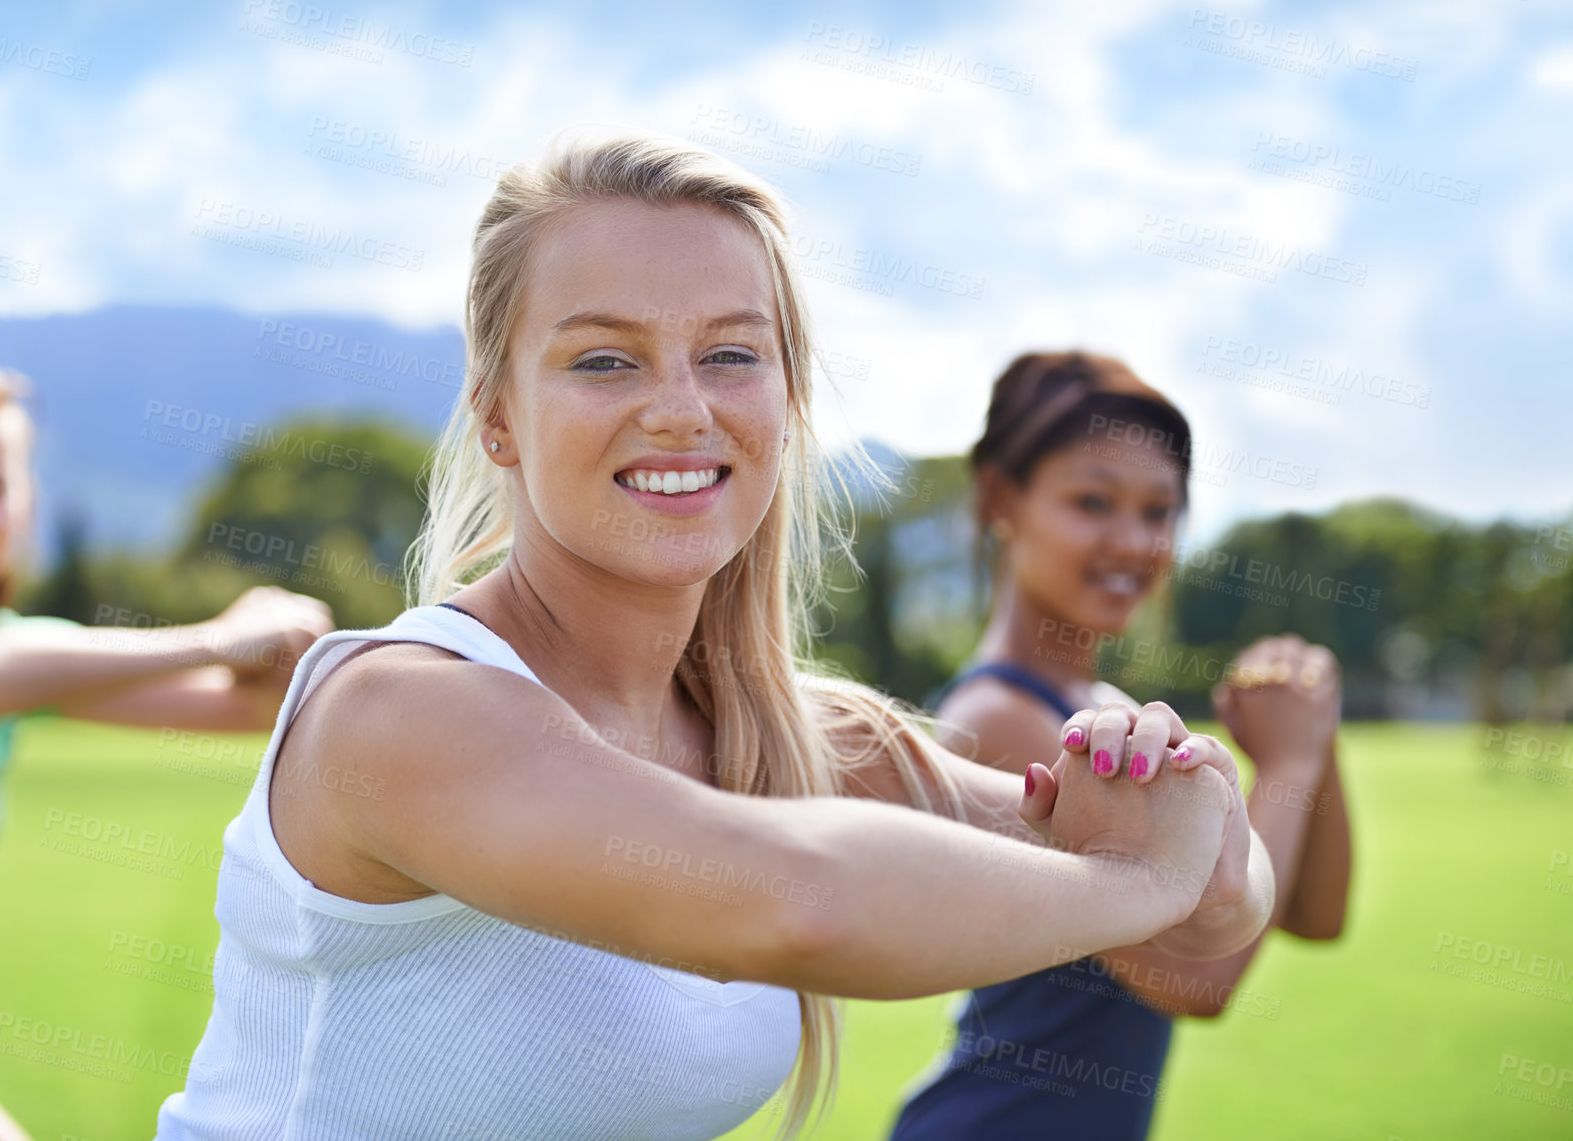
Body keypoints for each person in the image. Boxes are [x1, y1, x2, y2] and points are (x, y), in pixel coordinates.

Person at [154, 130, 1276, 1141]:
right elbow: (803, 905)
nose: (683, 408)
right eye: (605, 358)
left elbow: (1229, 897)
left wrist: (1190, 829)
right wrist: (1147, 881)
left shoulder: (794, 742)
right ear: (497, 412)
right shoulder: (403, 712)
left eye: (733, 354)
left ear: (786, 400)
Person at [0, 363, 334, 1141]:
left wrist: (281, 641)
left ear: (24, 504)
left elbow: (253, 711)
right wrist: (215, 636)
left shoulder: (23, 663)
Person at [889, 351, 1352, 1141]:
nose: (1133, 541)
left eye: (1158, 511)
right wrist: (1287, 763)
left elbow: (1311, 912)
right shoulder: (997, 719)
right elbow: (1195, 979)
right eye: (1092, 500)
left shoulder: (1108, 711)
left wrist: (1314, 734)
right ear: (1002, 499)